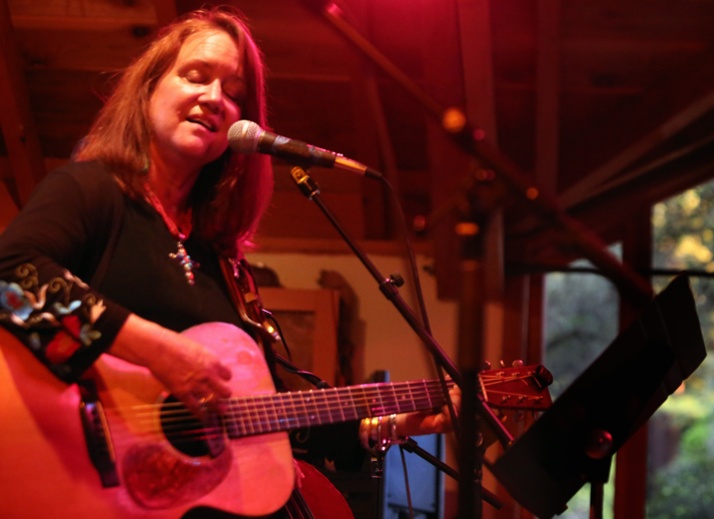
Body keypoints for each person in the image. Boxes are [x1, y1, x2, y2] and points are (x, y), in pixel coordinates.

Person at [0, 7, 452, 518]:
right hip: (68, 480)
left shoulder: (222, 261)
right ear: (149, 87)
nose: (215, 98)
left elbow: (270, 416)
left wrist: (394, 421)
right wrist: (158, 350)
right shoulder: (91, 191)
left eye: (234, 91)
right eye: (195, 76)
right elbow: (10, 275)